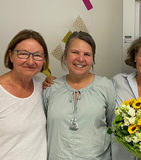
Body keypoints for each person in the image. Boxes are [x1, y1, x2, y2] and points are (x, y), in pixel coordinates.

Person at [43, 31, 116, 159]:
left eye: (87, 54)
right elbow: (42, 129)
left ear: (93, 58)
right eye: (75, 52)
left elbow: (113, 126)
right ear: (65, 55)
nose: (80, 59)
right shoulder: (51, 88)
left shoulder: (106, 86)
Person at [0, 29, 48, 159]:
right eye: (23, 54)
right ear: (11, 55)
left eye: (37, 55)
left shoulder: (41, 85)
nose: (30, 61)